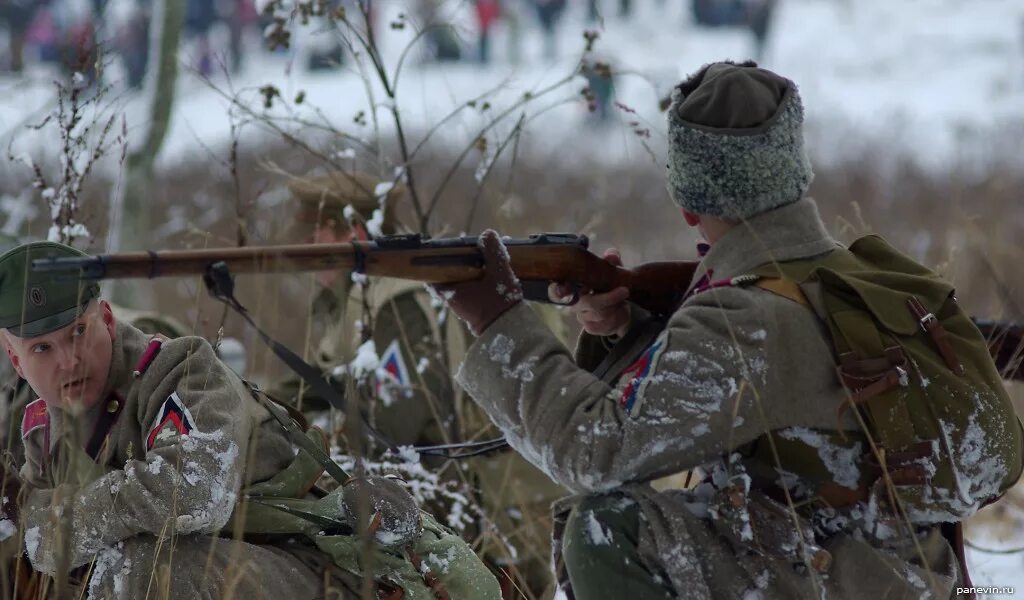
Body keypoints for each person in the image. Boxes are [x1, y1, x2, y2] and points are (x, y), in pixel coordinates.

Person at [436, 61, 1024, 598]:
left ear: (688, 201)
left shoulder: (744, 321)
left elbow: (597, 452)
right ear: (793, 171)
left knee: (604, 526)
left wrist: (499, 324)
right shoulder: (848, 272)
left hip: (846, 577)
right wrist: (627, 330)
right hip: (904, 570)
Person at [2, 240, 500, 598]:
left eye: (79, 333)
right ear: (15, 358)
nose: (67, 361)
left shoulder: (180, 370)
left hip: (308, 566)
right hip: (220, 574)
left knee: (141, 570)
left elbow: (195, 491)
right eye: (42, 348)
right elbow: (41, 545)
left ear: (107, 318)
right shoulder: (44, 433)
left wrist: (76, 517)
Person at [274, 170, 568, 597]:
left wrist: (314, 446)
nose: (303, 248)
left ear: (353, 232)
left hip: (486, 505)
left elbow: (398, 425)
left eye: (313, 235)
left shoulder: (396, 302)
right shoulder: (355, 300)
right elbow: (319, 384)